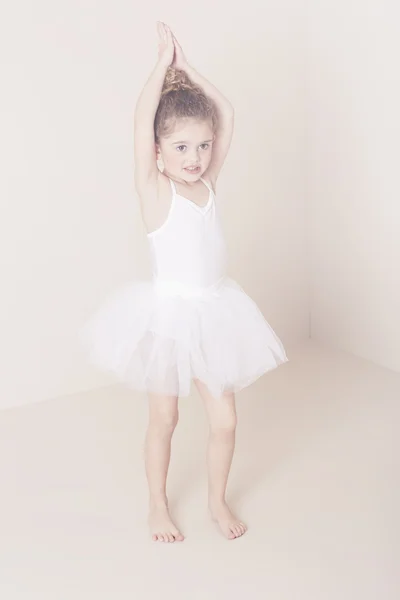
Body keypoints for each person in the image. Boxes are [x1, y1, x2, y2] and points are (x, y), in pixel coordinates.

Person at [80, 22, 288, 543]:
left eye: (202, 146)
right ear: (157, 152)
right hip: (169, 318)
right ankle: (157, 504)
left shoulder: (208, 184)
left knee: (226, 422)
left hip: (216, 314)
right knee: (165, 418)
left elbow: (230, 115)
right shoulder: (156, 193)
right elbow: (138, 121)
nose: (194, 158)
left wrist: (188, 71)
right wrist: (160, 69)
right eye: (180, 148)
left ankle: (217, 501)